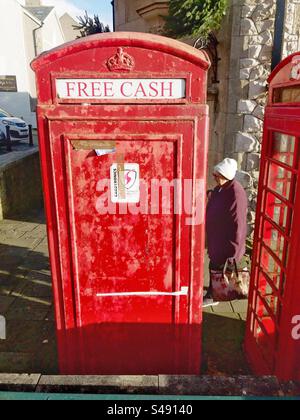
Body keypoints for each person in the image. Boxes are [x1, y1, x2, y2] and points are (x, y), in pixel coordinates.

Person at [204, 158, 248, 307]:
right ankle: (216, 292)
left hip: (226, 241)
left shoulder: (236, 193)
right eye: (214, 175)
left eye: (217, 176)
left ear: (226, 175)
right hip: (217, 238)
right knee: (215, 266)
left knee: (217, 267)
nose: (215, 178)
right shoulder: (221, 188)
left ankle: (214, 295)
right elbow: (217, 198)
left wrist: (234, 250)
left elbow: (238, 224)